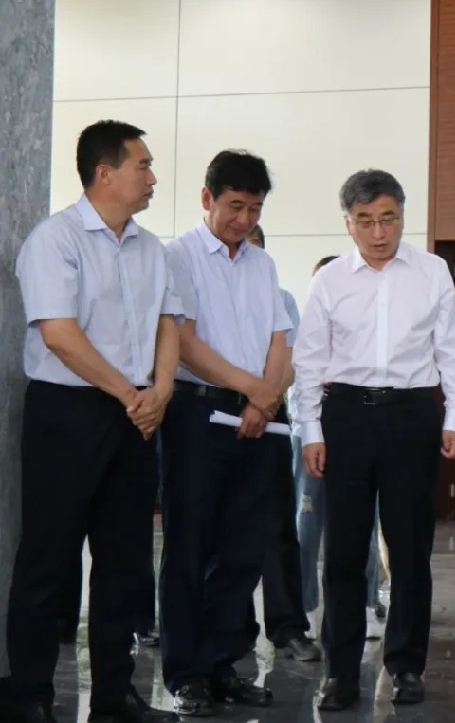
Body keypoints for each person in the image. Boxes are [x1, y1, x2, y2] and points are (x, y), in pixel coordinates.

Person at [9, 119, 180, 723]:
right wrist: (131, 393)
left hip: (137, 415)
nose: (153, 177)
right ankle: (31, 696)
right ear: (105, 173)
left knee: (125, 561)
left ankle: (114, 695)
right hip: (69, 412)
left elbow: (168, 323)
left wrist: (161, 390)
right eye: (143, 165)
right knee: (49, 557)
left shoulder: (151, 248)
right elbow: (59, 334)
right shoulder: (55, 240)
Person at [293, 169, 455, 711]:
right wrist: (311, 429)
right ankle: (340, 673)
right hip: (346, 415)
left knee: (411, 548)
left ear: (402, 217)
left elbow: (452, 349)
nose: (379, 232)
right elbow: (309, 361)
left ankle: (407, 665)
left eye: (389, 219)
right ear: (348, 223)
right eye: (366, 221)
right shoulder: (330, 280)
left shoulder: (432, 271)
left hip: (413, 415)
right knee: (344, 551)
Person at [159, 150, 292, 717]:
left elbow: (280, 340)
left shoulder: (263, 265)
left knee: (242, 551)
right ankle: (185, 674)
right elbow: (184, 344)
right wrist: (254, 390)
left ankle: (221, 665)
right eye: (235, 206)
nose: (244, 219)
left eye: (254, 208)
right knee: (190, 549)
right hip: (197, 416)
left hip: (259, 418)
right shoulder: (177, 256)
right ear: (207, 197)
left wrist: (266, 396)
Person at [292, 255, 388, 643]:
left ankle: (366, 604)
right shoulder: (307, 329)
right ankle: (306, 608)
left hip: (354, 435)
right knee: (307, 525)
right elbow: (299, 382)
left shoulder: (363, 331)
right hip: (308, 435)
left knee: (362, 526)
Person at [241, 225, 321, 662]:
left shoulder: (283, 300)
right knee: (223, 530)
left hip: (270, 412)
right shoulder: (205, 292)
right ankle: (231, 630)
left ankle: (288, 627)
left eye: (253, 248)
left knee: (278, 528)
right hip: (218, 413)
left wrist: (264, 400)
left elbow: (292, 361)